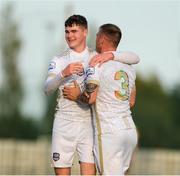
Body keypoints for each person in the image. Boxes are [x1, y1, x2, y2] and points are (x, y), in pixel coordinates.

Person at [44, 15, 139, 175]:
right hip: (64, 121)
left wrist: (110, 55)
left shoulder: (96, 58)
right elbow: (47, 89)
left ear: (85, 32)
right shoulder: (59, 59)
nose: (70, 35)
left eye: (74, 31)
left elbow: (133, 57)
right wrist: (63, 74)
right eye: (67, 31)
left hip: (89, 124)